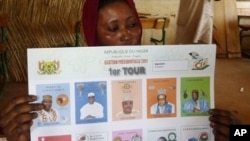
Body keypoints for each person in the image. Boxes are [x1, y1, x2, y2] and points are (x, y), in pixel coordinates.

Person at [0, 0, 240, 141]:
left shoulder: (170, 77)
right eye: (112, 29)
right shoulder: (73, 84)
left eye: (132, 24)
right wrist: (17, 135)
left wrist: (238, 132)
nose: (126, 35)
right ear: (93, 35)